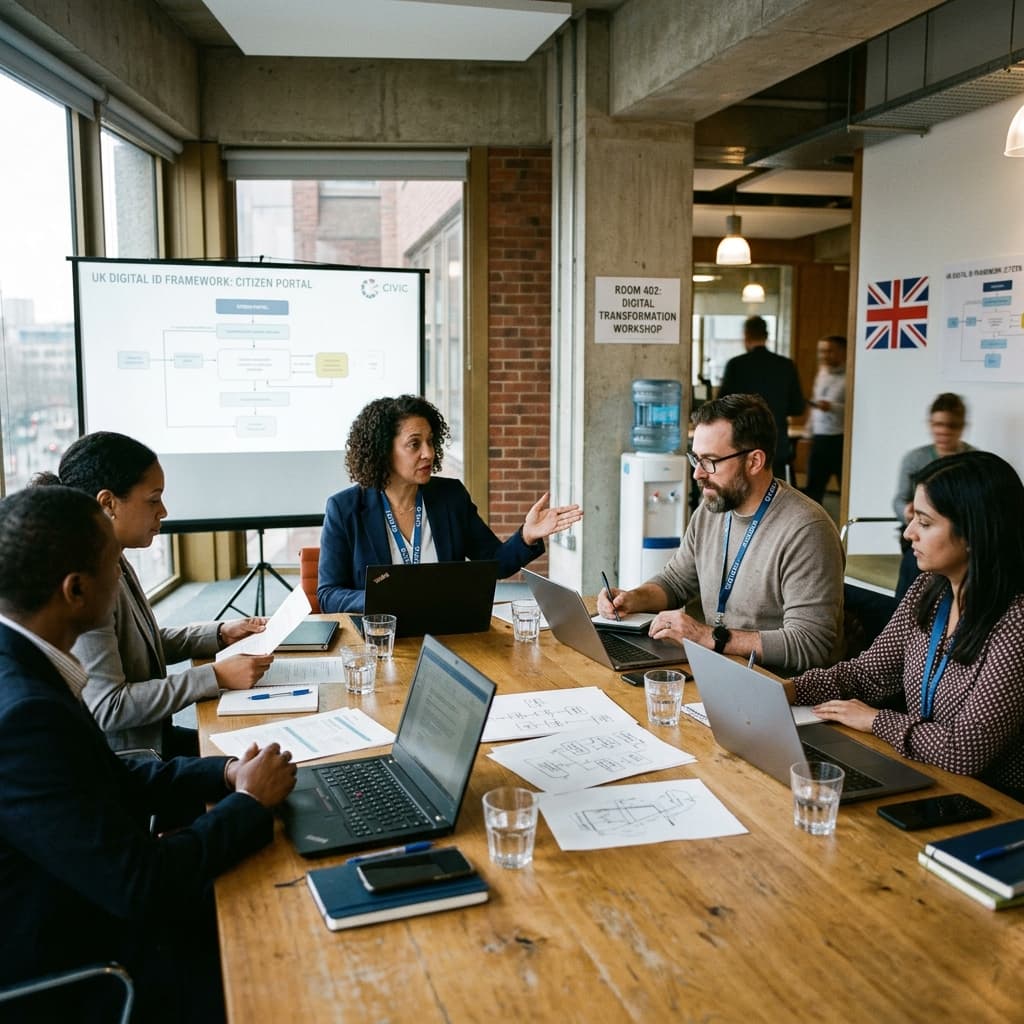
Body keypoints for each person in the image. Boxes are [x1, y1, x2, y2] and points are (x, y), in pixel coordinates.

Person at [0, 486, 297, 1023]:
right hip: (82, 966)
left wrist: (227, 773)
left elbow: (113, 776)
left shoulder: (24, 665)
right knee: (283, 939)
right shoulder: (25, 714)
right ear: (75, 590)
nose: (124, 577)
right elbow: (144, 885)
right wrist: (250, 804)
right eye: (114, 563)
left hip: (87, 895)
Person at [791, 451, 1024, 800]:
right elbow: (868, 675)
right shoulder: (928, 590)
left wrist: (875, 720)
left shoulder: (1016, 621)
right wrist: (788, 691)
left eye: (926, 523)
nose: (909, 534)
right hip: (925, 774)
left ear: (974, 533)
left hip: (994, 802)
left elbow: (965, 749)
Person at [35, 432, 273, 758]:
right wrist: (214, 676)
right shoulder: (87, 584)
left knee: (258, 747)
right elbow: (109, 706)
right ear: (108, 504)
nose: (163, 511)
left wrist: (218, 634)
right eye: (153, 499)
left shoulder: (113, 556)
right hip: (131, 765)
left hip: (157, 740)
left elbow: (141, 643)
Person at [598, 394, 844, 673]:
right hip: (718, 668)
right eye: (696, 459)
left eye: (710, 461)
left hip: (777, 687)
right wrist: (632, 598)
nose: (698, 474)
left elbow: (809, 644)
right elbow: (676, 581)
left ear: (754, 461)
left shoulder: (806, 530)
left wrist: (708, 637)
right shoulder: (712, 509)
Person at [317, 394, 583, 613]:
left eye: (431, 441)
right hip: (380, 639)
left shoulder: (450, 497)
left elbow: (496, 563)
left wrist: (527, 535)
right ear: (384, 451)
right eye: (414, 444)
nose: (429, 453)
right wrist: (384, 601)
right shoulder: (345, 509)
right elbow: (328, 596)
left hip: (447, 635)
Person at [892, 393, 973, 600]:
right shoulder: (915, 459)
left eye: (951, 425)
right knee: (913, 561)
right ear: (930, 424)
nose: (944, 431)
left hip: (963, 534)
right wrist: (909, 513)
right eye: (938, 424)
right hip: (919, 525)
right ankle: (906, 609)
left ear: (962, 426)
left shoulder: (974, 461)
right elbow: (899, 499)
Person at [717, 315, 805, 479]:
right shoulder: (785, 365)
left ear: (746, 335)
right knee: (775, 494)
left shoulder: (736, 365)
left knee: (742, 493)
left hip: (742, 442)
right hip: (776, 442)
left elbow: (722, 407)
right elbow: (797, 407)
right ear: (766, 335)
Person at [803, 334, 847, 505]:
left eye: (829, 351)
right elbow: (815, 400)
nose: (823, 356)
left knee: (845, 488)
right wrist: (808, 431)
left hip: (840, 439)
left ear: (842, 352)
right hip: (819, 438)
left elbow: (854, 408)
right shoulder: (822, 373)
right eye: (821, 351)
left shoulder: (850, 375)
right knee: (814, 490)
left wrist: (832, 407)